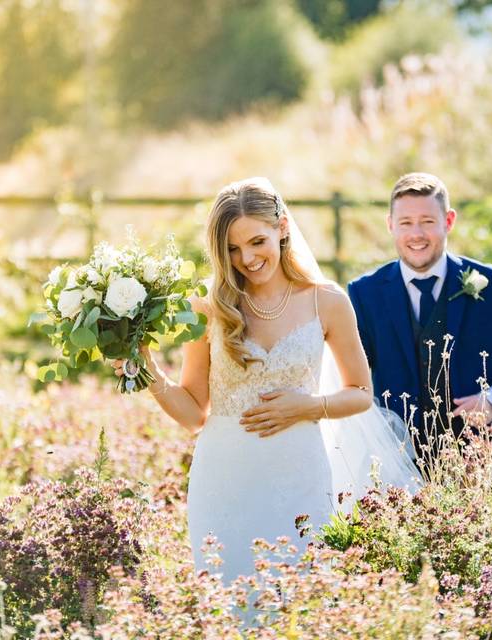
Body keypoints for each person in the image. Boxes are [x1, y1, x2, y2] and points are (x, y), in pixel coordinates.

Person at [114, 177, 419, 585]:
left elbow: (361, 394)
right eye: (233, 249)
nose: (246, 259)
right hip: (224, 474)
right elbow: (193, 414)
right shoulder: (207, 306)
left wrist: (309, 406)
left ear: (283, 227)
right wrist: (146, 368)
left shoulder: (326, 301)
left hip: (300, 472)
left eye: (257, 242)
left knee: (300, 597)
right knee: (228, 599)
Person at [348, 173, 492, 466]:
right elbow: (348, 374)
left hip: (481, 458)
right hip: (397, 461)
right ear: (391, 225)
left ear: (449, 221)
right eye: (405, 223)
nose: (416, 234)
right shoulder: (364, 293)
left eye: (428, 221)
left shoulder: (491, 284)